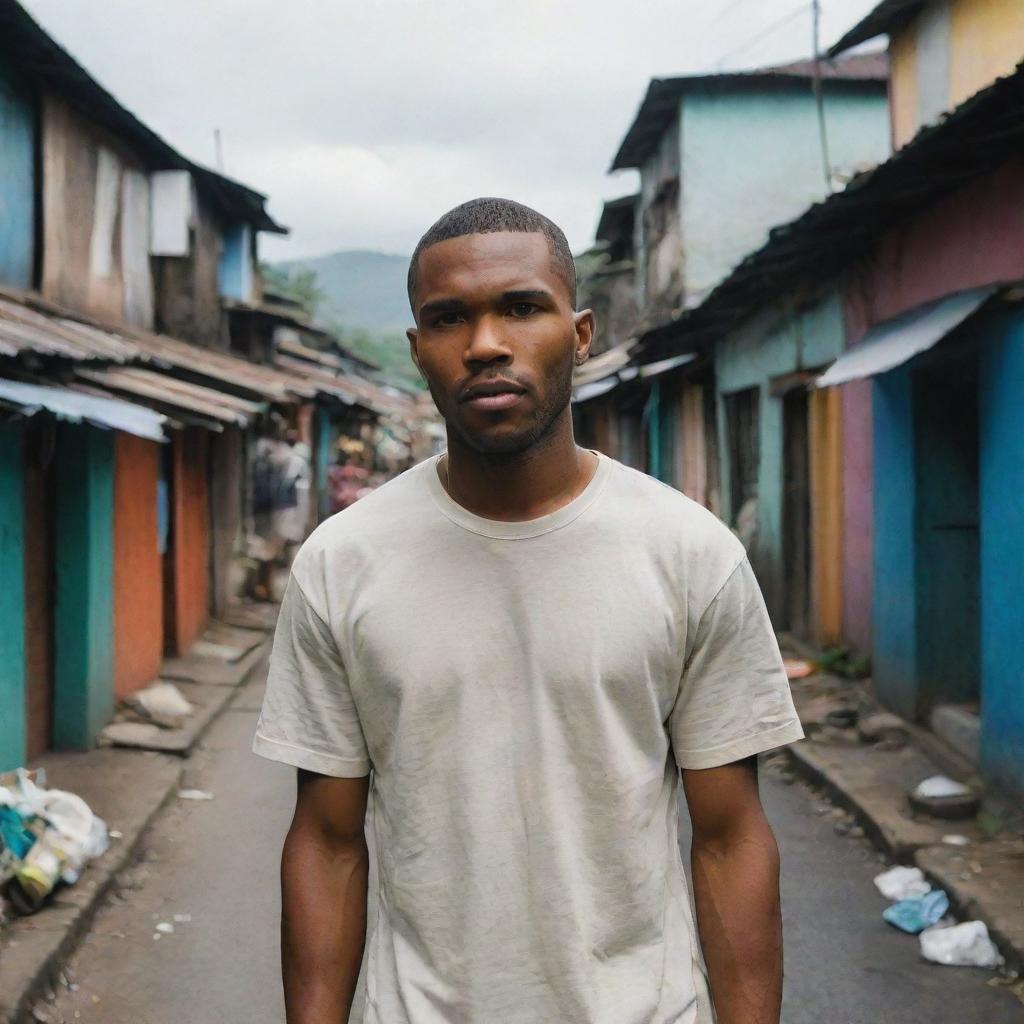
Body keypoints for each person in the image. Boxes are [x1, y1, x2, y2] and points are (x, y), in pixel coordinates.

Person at [253, 198, 804, 1024]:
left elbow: (728, 839)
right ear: (418, 351)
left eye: (520, 307)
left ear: (580, 333)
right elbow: (328, 844)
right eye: (448, 319)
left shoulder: (690, 555)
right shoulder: (342, 563)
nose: (484, 344)